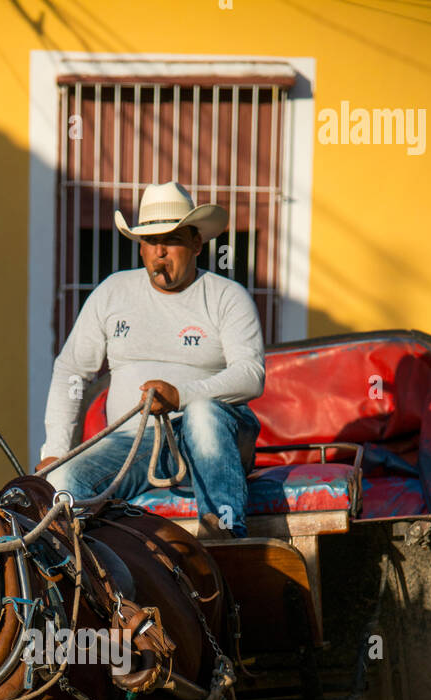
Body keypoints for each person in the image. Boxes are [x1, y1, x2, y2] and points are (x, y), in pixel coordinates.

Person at [41, 182, 265, 536]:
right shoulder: (112, 292)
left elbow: (251, 375)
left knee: (204, 414)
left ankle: (226, 537)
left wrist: (182, 396)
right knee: (63, 480)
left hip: (218, 438)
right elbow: (71, 371)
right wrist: (56, 450)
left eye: (172, 239)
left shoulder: (227, 297)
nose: (160, 251)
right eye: (150, 241)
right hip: (134, 444)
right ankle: (85, 581)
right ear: (141, 249)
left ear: (196, 244)